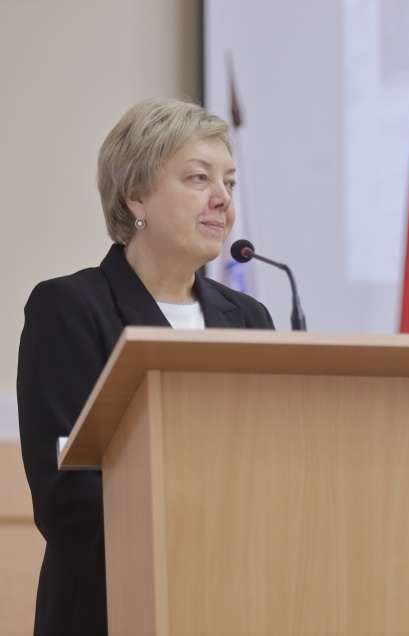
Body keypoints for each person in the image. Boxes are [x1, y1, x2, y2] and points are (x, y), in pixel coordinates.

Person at [17, 97, 275, 635]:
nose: (223, 199)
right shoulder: (71, 307)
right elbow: (67, 493)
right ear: (136, 194)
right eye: (199, 178)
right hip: (113, 608)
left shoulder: (249, 318)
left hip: (238, 602)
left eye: (229, 182)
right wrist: (176, 577)